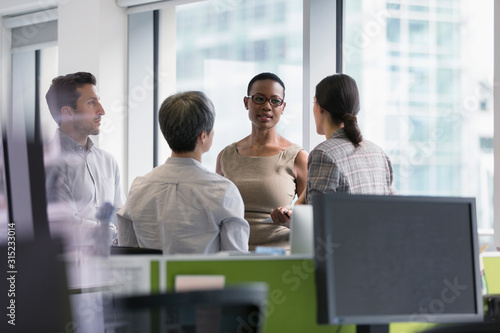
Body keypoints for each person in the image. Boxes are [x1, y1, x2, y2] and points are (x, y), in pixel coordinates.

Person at [117, 91, 250, 254]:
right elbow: (236, 260)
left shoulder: (139, 188)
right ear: (203, 136)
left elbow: (127, 254)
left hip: (152, 279)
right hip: (207, 280)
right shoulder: (223, 191)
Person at [216, 72, 308, 250]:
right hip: (233, 255)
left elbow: (310, 221)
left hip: (279, 257)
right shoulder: (226, 156)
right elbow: (216, 211)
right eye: (259, 99)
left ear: (283, 107)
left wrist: (290, 221)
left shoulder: (298, 157)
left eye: (275, 101)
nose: (267, 106)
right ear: (246, 102)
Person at [44, 72, 125, 245]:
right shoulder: (49, 163)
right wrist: (113, 232)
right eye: (91, 103)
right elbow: (67, 226)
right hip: (68, 268)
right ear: (68, 113)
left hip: (112, 264)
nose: (102, 111)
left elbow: (121, 217)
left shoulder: (108, 161)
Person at [298, 73, 396, 205]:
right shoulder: (378, 152)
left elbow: (315, 217)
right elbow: (393, 207)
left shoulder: (324, 154)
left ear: (319, 107)